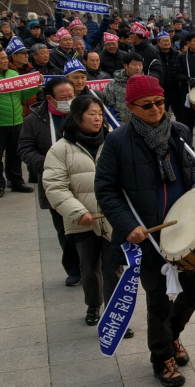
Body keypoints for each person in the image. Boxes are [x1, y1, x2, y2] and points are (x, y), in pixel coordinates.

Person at [94, 74, 195, 387]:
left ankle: (171, 337)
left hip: (183, 230)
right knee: (159, 302)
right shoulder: (117, 141)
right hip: (148, 237)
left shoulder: (179, 131)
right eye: (147, 105)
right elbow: (105, 189)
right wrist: (129, 226)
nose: (156, 109)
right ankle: (161, 358)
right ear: (131, 108)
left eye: (160, 102)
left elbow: (191, 167)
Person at [42, 95, 128, 334]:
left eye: (100, 113)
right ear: (77, 117)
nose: (97, 118)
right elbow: (55, 186)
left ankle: (115, 314)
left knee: (114, 268)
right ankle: (93, 305)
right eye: (91, 113)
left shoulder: (114, 142)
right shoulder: (60, 149)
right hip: (82, 221)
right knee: (89, 269)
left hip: (112, 219)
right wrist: (78, 212)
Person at [19, 77, 83, 285]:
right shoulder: (35, 120)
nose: (68, 100)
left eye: (71, 96)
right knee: (65, 229)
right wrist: (47, 163)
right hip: (55, 182)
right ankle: (74, 269)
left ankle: (92, 267)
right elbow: (25, 149)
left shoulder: (84, 112)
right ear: (49, 98)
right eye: (62, 97)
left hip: (85, 179)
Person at [0, 44, 37, 198]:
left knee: (15, 154)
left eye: (6, 57)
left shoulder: (13, 74)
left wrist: (35, 86)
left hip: (16, 120)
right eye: (2, 58)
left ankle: (16, 181)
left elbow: (22, 96)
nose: (5, 61)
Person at [102, 52, 144, 123]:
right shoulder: (113, 84)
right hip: (119, 125)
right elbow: (107, 106)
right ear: (125, 65)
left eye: (140, 65)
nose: (137, 68)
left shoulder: (145, 84)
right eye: (134, 64)